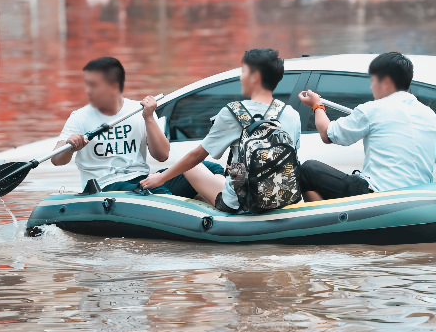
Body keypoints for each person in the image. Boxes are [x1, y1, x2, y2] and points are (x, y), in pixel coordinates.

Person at [140, 48, 302, 211]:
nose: (241, 77)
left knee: (192, 167)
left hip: (241, 204)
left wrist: (160, 178)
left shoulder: (233, 113)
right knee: (221, 174)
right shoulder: (292, 114)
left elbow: (196, 156)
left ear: (254, 77)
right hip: (281, 198)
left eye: (244, 71)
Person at [296, 52, 436, 201]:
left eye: (373, 81)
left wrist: (316, 105)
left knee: (308, 171)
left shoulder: (372, 110)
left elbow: (327, 134)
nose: (371, 88)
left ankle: (326, 227)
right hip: (419, 198)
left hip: (377, 196)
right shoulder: (431, 117)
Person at [53, 57, 222, 195]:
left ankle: (226, 205)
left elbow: (162, 155)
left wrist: (148, 118)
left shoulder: (138, 110)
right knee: (157, 191)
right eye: (87, 84)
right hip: (105, 185)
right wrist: (70, 147)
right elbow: (56, 160)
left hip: (141, 178)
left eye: (94, 85)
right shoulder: (80, 117)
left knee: (212, 168)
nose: (88, 91)